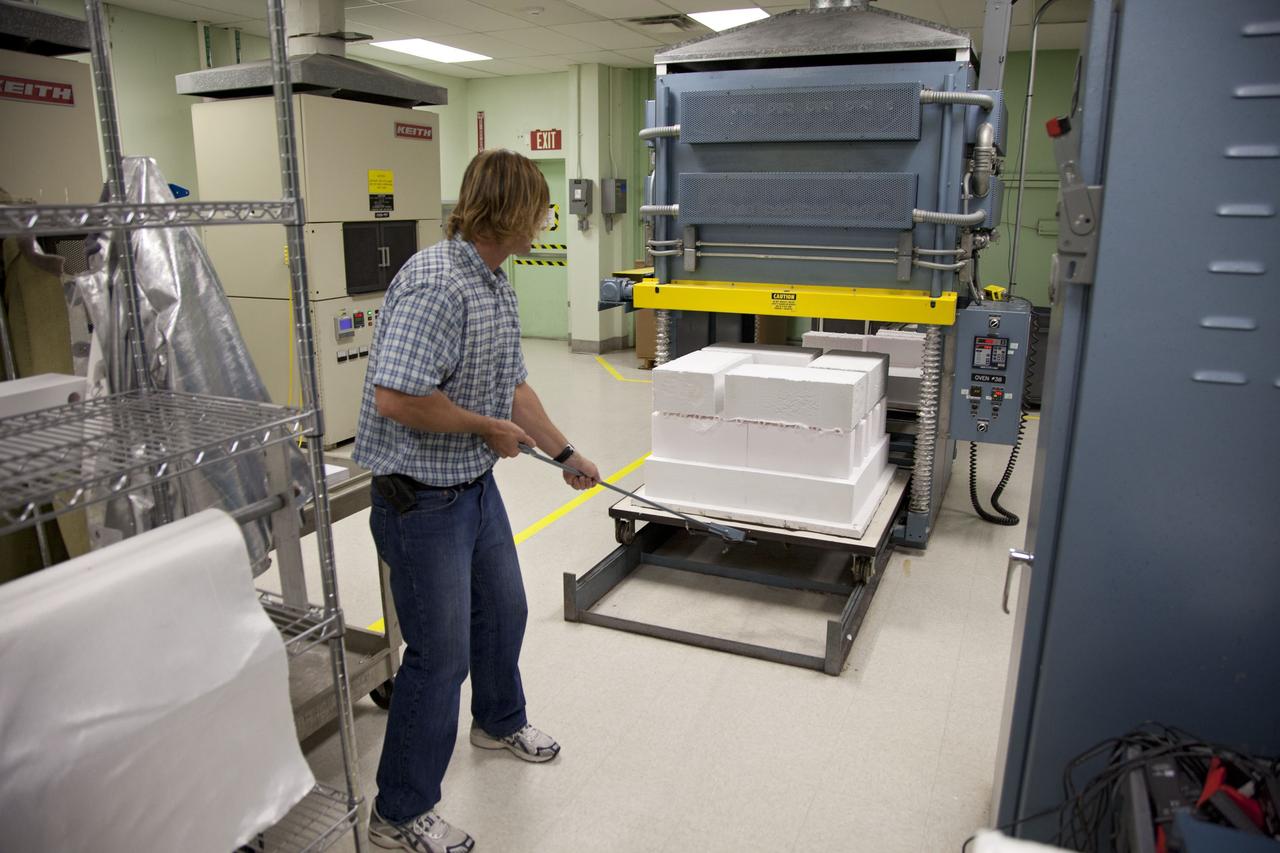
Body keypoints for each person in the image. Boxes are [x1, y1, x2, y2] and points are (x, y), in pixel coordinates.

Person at [353, 148, 601, 853]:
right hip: (419, 499)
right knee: (440, 654)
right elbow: (396, 397)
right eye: (541, 209)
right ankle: (399, 811)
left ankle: (496, 720)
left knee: (505, 609)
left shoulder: (495, 280)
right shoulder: (438, 283)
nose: (547, 221)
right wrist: (483, 427)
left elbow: (515, 386)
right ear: (512, 213)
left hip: (471, 487)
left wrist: (564, 452)